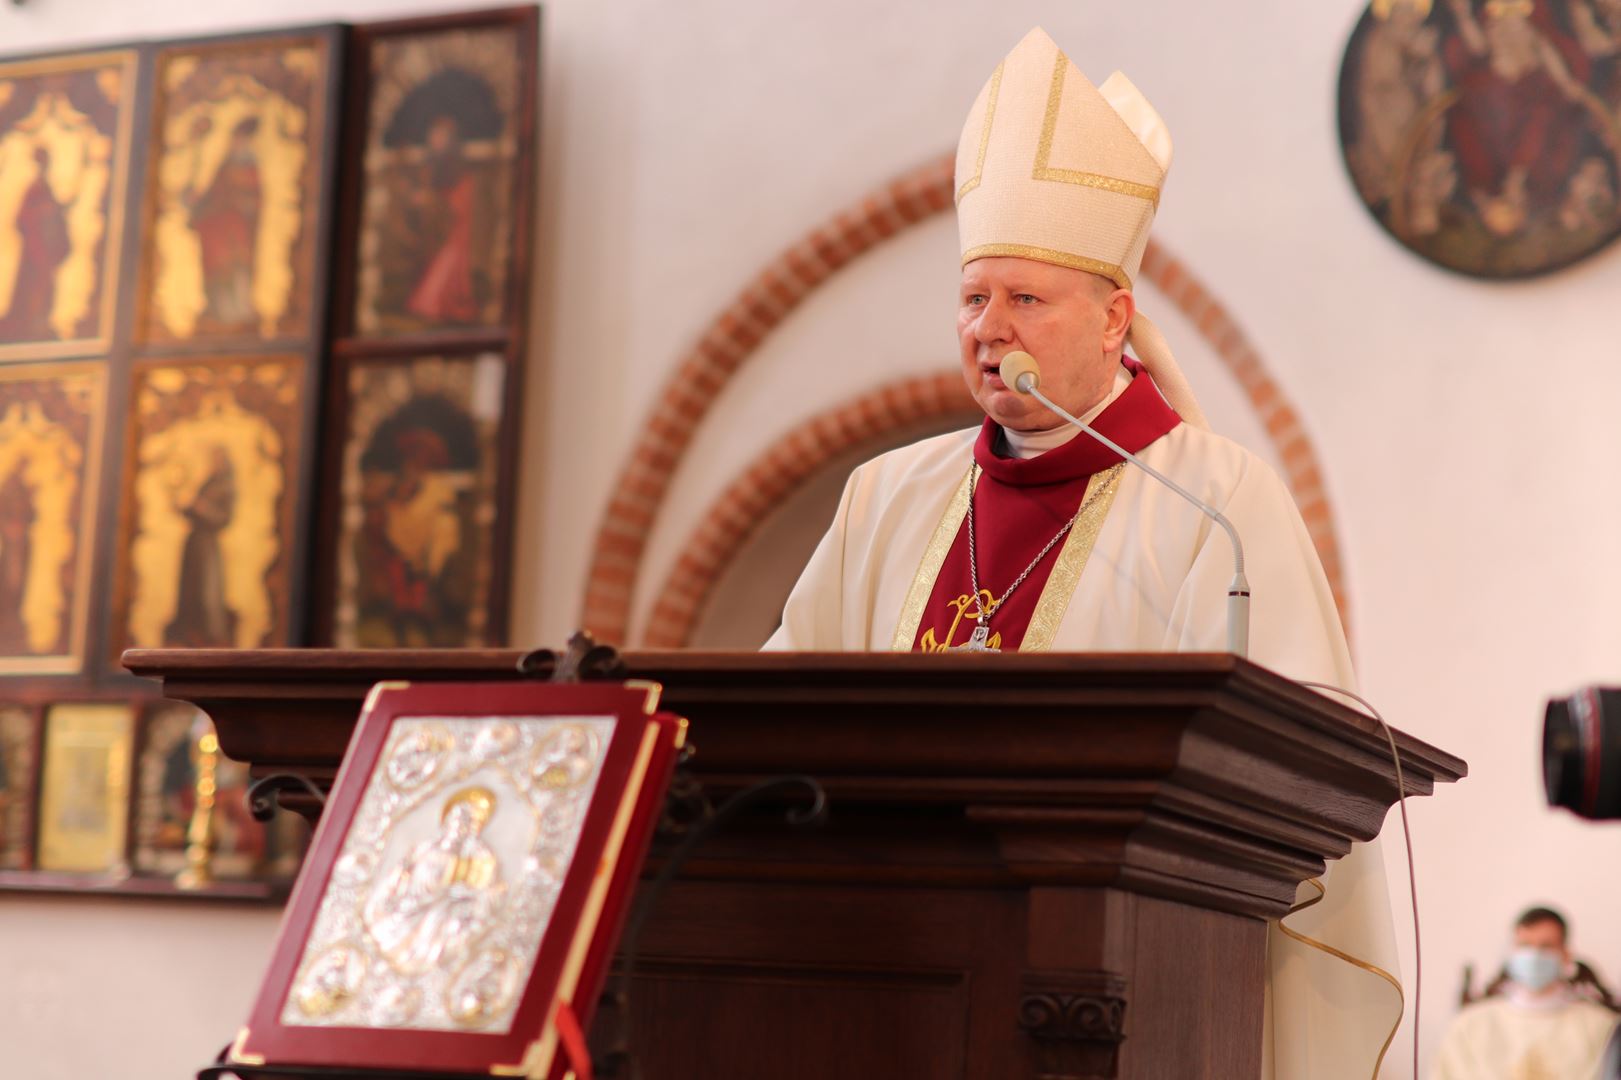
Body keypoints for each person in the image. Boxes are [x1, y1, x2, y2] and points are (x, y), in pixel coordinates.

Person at [767, 27, 1402, 1080]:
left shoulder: (1213, 499)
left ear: (1114, 321)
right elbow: (787, 713)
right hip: (887, 972)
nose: (987, 326)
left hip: (1126, 980)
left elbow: (1287, 767)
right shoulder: (887, 496)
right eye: (972, 298)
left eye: (1025, 299)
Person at [1431, 906, 1619, 1079]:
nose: (1534, 955)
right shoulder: (1468, 1026)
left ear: (1566, 955)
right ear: (1512, 953)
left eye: (1546, 946)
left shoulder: (1602, 1028)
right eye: (1525, 945)